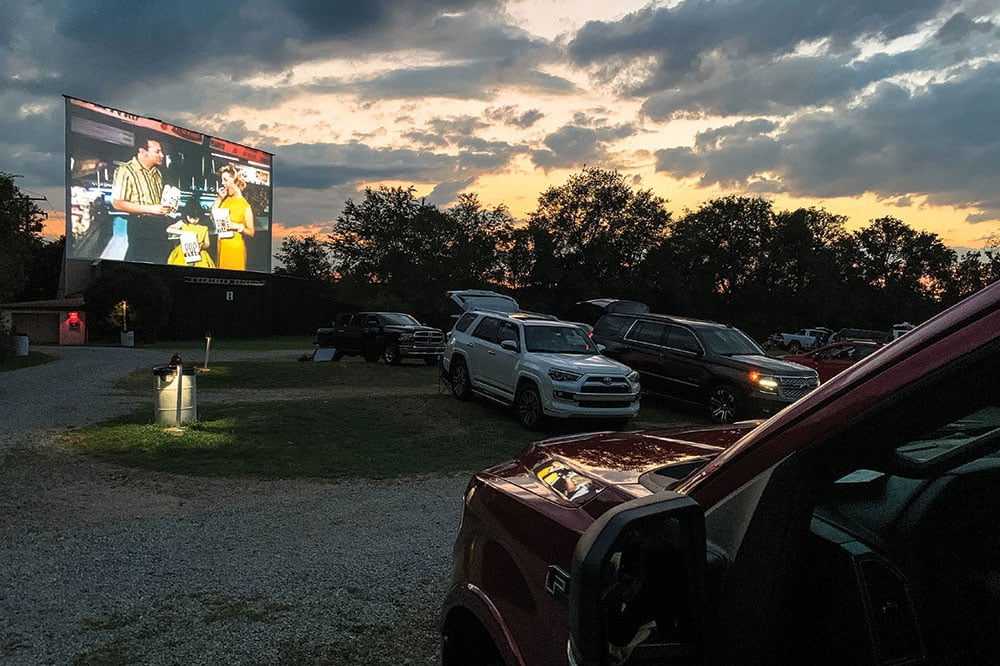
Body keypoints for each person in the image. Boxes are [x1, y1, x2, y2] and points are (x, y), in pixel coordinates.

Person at [111, 133, 175, 262]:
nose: (162, 155)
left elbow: (157, 202)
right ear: (143, 152)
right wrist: (151, 209)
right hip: (140, 225)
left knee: (162, 261)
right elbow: (117, 203)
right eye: (157, 152)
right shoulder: (126, 170)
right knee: (138, 264)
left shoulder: (157, 173)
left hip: (159, 224)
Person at [212, 164, 254, 270]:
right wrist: (219, 199)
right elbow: (212, 216)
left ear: (234, 181)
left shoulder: (245, 206)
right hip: (222, 245)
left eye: (225, 180)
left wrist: (236, 226)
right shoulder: (224, 199)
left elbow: (251, 232)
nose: (222, 183)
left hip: (235, 249)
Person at [166, 198, 216, 268]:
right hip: (183, 252)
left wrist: (202, 245)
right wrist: (183, 232)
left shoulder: (204, 227)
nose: (193, 220)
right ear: (186, 215)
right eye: (190, 218)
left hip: (199, 254)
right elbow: (169, 229)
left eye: (196, 218)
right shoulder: (183, 223)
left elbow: (207, 243)